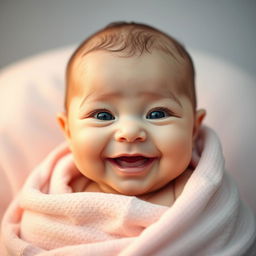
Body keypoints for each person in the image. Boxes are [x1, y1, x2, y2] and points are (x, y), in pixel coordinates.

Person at [1, 22, 255, 255]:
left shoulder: (204, 203)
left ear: (193, 129)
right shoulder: (51, 202)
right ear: (67, 130)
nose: (130, 132)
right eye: (102, 115)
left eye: (157, 113)